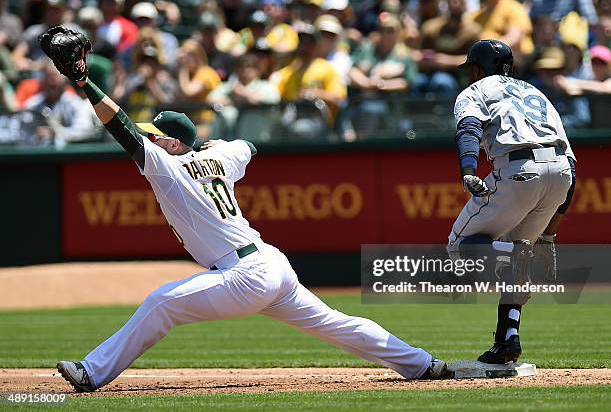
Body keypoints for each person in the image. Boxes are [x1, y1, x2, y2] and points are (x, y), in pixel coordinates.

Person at [39, 27, 450, 393]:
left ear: (176, 143)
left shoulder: (168, 167)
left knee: (161, 303)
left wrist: (83, 82)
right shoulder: (224, 158)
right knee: (337, 324)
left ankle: (92, 372)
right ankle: (421, 364)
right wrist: (214, 146)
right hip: (271, 264)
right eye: (154, 136)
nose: (153, 140)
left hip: (244, 274)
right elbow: (248, 148)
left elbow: (123, 128)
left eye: (160, 137)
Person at [448, 40, 576, 364]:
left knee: (460, 244)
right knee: (518, 263)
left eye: (471, 69)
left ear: (478, 69)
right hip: (560, 172)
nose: (470, 76)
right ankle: (508, 338)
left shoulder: (476, 90)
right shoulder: (537, 94)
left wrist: (467, 169)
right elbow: (571, 170)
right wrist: (549, 237)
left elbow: (469, 128)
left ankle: (518, 252)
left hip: (518, 170)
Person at [23, 62, 97, 146]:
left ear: (65, 81)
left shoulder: (74, 103)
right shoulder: (33, 103)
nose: (51, 80)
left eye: (55, 76)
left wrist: (56, 133)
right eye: (48, 76)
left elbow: (85, 130)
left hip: (69, 154)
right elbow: (21, 132)